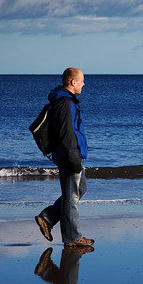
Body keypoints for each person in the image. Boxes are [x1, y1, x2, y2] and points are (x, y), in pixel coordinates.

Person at [35, 67, 94, 247]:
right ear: (73, 82)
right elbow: (66, 134)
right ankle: (73, 238)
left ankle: (48, 217)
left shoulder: (66, 101)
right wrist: (74, 158)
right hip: (69, 156)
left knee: (80, 189)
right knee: (71, 198)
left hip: (72, 154)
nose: (84, 84)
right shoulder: (64, 103)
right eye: (81, 81)